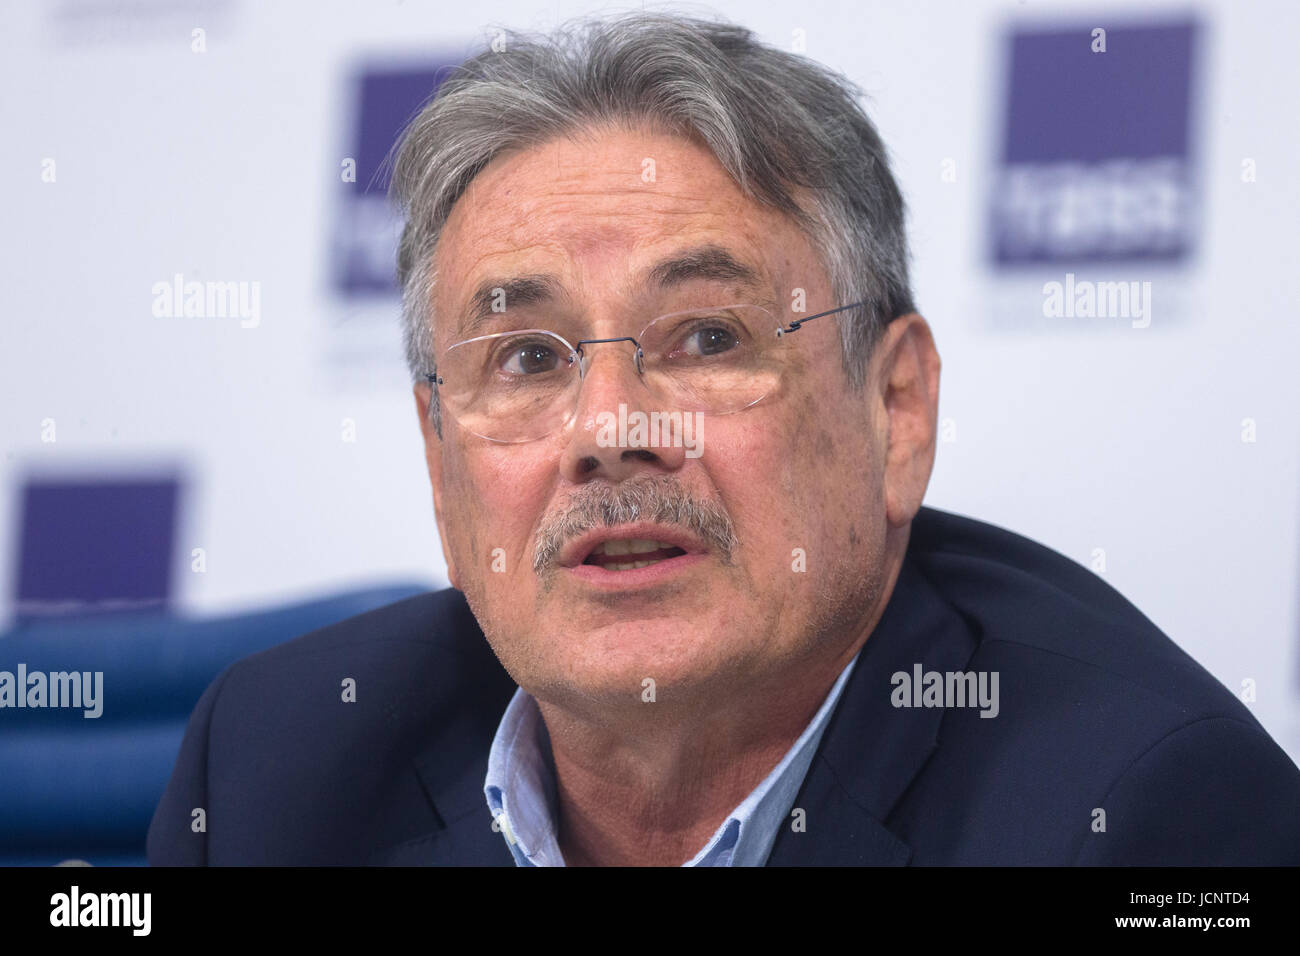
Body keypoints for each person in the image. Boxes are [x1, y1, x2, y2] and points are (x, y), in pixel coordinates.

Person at [149, 12, 1300, 866]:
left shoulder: (1143, 816)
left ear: (896, 409)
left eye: (705, 335)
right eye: (529, 358)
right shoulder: (268, 775)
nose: (610, 429)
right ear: (439, 460)